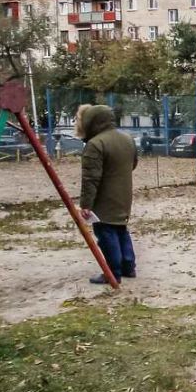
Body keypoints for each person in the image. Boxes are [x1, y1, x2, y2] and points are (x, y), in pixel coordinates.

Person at [76, 104, 138, 284]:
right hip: (124, 194)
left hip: (104, 198)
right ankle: (128, 267)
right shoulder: (127, 139)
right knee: (121, 229)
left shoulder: (95, 144)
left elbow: (90, 179)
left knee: (106, 233)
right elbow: (133, 164)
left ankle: (112, 273)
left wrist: (86, 204)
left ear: (92, 122)